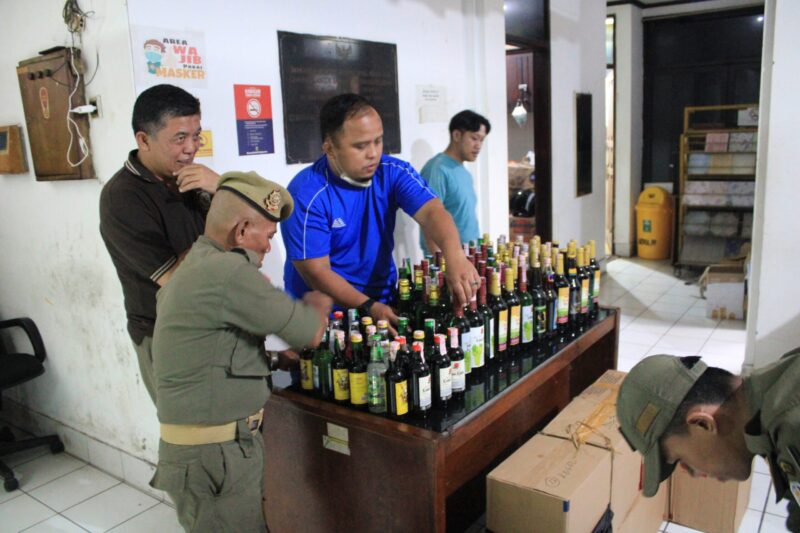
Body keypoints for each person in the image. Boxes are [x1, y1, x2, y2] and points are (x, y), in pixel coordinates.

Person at [150, 171, 332, 532]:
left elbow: (213, 352)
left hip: (209, 452)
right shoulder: (228, 272)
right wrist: (320, 299)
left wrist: (275, 360)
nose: (267, 247)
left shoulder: (196, 266)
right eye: (267, 236)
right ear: (242, 230)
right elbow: (307, 331)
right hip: (215, 456)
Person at [281, 93, 481, 327]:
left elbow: (432, 211)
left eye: (378, 141)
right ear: (330, 148)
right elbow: (316, 272)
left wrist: (455, 256)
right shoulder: (306, 194)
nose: (373, 153)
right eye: (360, 146)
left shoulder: (393, 171)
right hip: (322, 315)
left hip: (380, 301)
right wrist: (368, 306)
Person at [99, 84, 220, 403]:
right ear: (143, 140)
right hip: (167, 335)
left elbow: (275, 208)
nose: (191, 148)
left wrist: (223, 187)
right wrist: (225, 217)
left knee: (241, 430)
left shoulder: (195, 179)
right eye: (180, 138)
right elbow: (174, 279)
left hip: (217, 322)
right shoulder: (122, 198)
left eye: (197, 136)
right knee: (193, 439)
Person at [616, 351, 800, 532]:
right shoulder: (777, 387)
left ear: (702, 424)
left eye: (682, 460)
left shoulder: (792, 425)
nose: (694, 474)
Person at [419, 110, 490, 255]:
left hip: (470, 256)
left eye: (482, 140)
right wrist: (440, 264)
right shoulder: (437, 169)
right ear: (457, 135)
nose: (478, 146)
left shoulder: (463, 171)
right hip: (450, 260)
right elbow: (428, 218)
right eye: (474, 138)